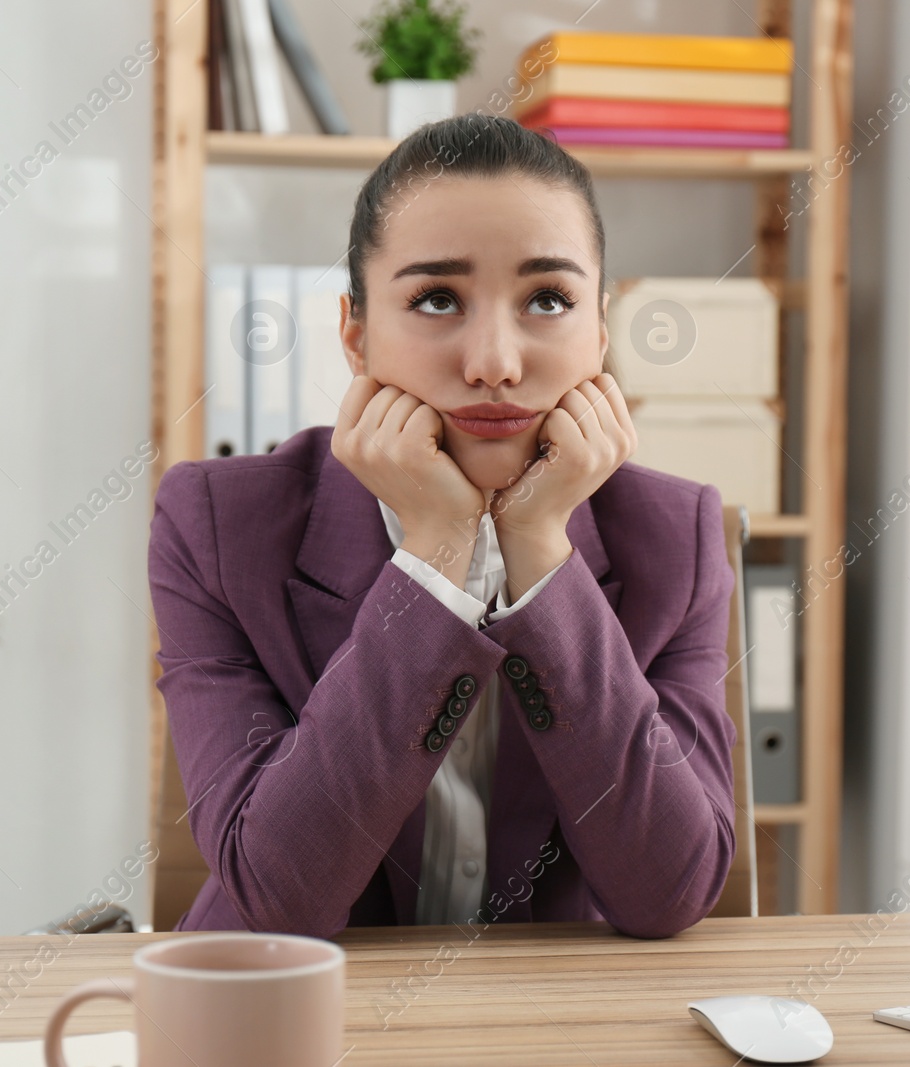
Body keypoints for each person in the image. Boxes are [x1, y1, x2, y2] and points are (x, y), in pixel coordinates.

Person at [148, 113, 737, 940]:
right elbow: (275, 900)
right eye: (436, 298)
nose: (494, 360)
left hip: (552, 1026)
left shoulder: (677, 536)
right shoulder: (215, 524)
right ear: (355, 334)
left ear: (600, 331)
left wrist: (539, 552)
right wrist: (432, 555)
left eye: (547, 299)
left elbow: (670, 890)